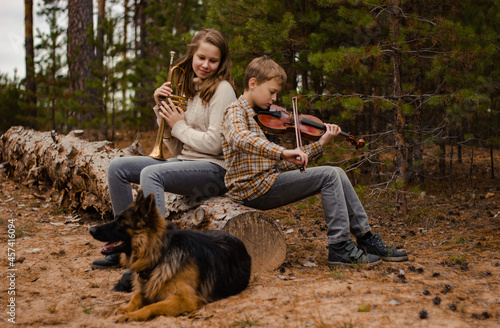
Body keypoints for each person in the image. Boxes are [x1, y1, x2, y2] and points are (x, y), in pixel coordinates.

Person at [221, 56, 408, 267]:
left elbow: (276, 164)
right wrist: (283, 151)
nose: (274, 98)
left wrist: (320, 144)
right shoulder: (234, 111)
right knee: (329, 175)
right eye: (271, 91)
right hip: (250, 190)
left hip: (266, 182)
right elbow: (239, 138)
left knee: (337, 173)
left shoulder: (260, 116)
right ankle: (339, 247)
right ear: (253, 83)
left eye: (277, 93)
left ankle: (366, 238)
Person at [92, 29, 237, 270]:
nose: (206, 65)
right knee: (117, 167)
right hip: (185, 162)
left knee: (151, 173)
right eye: (201, 57)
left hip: (216, 170)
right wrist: (162, 114)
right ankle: (124, 245)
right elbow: (176, 147)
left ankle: (158, 255)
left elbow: (215, 144)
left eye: (214, 60)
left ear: (222, 62)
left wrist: (178, 125)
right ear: (192, 54)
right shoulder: (188, 88)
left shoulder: (223, 90)